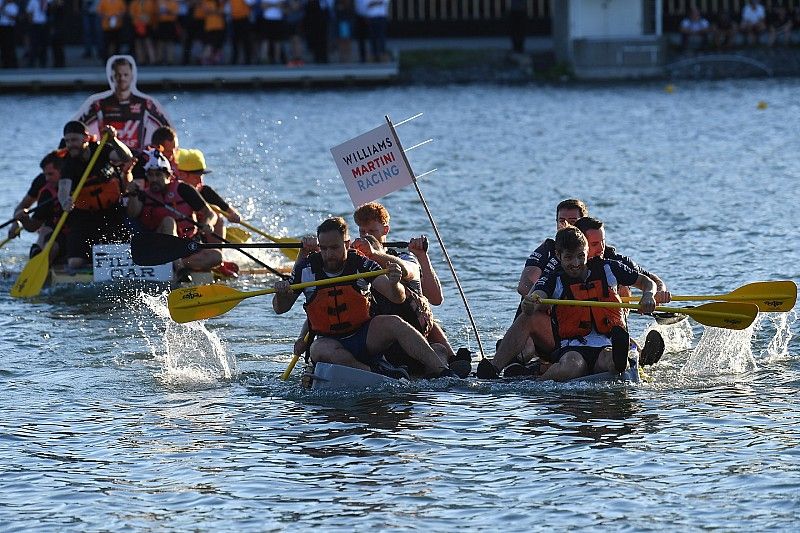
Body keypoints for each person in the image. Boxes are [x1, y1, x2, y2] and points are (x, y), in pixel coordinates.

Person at [272, 217, 457, 379]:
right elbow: (280, 308)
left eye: (335, 248)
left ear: (346, 244)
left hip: (364, 335)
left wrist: (394, 283)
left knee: (394, 322)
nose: (329, 255)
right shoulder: (306, 269)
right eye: (324, 248)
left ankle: (443, 371)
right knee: (319, 349)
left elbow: (397, 297)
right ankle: (378, 373)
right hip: (329, 340)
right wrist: (281, 294)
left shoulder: (361, 263)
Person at [482, 227, 657, 382]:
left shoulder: (609, 268)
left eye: (581, 256)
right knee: (573, 366)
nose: (576, 264)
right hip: (572, 347)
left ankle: (621, 361)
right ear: (558, 256)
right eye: (569, 258)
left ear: (587, 252)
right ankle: (534, 380)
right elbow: (538, 295)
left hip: (606, 343)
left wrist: (648, 295)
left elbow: (648, 283)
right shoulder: (553, 278)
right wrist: (530, 303)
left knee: (609, 360)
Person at [349, 202, 472, 377]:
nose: (366, 236)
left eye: (372, 232)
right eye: (362, 232)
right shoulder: (355, 261)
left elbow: (434, 298)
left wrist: (420, 255)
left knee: (436, 343)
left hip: (414, 324)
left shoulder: (403, 255)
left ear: (385, 230)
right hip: (381, 331)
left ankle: (446, 364)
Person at [126, 148, 223, 273]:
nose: (154, 179)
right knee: (168, 221)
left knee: (217, 256)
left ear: (168, 175)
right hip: (160, 248)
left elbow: (210, 213)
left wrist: (208, 223)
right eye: (150, 175)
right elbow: (132, 213)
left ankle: (179, 265)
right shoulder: (143, 194)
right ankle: (179, 267)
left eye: (158, 175)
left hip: (187, 246)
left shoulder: (183, 189)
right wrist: (132, 194)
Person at [58, 121, 133, 270]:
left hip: (111, 214)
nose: (70, 144)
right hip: (83, 217)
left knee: (119, 254)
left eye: (74, 140)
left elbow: (126, 157)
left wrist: (114, 140)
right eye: (67, 141)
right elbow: (63, 190)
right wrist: (64, 201)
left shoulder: (101, 150)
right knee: (75, 263)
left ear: (86, 138)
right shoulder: (68, 164)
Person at [74, 56, 173, 150]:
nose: (122, 78)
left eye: (125, 75)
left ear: (132, 76)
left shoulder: (145, 103)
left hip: (136, 159)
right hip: (109, 157)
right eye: (118, 75)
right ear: (112, 77)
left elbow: (168, 128)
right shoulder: (99, 104)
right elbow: (75, 128)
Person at [12, 151, 68, 262]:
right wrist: (18, 222)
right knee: (45, 231)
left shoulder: (76, 176)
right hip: (53, 227)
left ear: (62, 171)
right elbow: (26, 210)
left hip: (75, 226)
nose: (47, 178)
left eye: (50, 174)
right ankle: (38, 255)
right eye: (45, 174)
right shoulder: (43, 185)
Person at [175, 148, 241, 241]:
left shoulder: (205, 191)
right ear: (182, 175)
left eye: (202, 176)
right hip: (181, 235)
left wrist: (234, 216)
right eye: (196, 177)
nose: (200, 181)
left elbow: (228, 210)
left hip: (202, 234)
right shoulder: (174, 191)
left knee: (218, 214)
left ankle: (218, 251)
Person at [0, 0, 19, 69]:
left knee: (10, 46)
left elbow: (14, 17)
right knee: (3, 46)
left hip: (10, 28)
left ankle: (12, 64)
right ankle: (4, 63)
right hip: (2, 27)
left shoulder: (14, 6)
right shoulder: (2, 4)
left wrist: (5, 12)